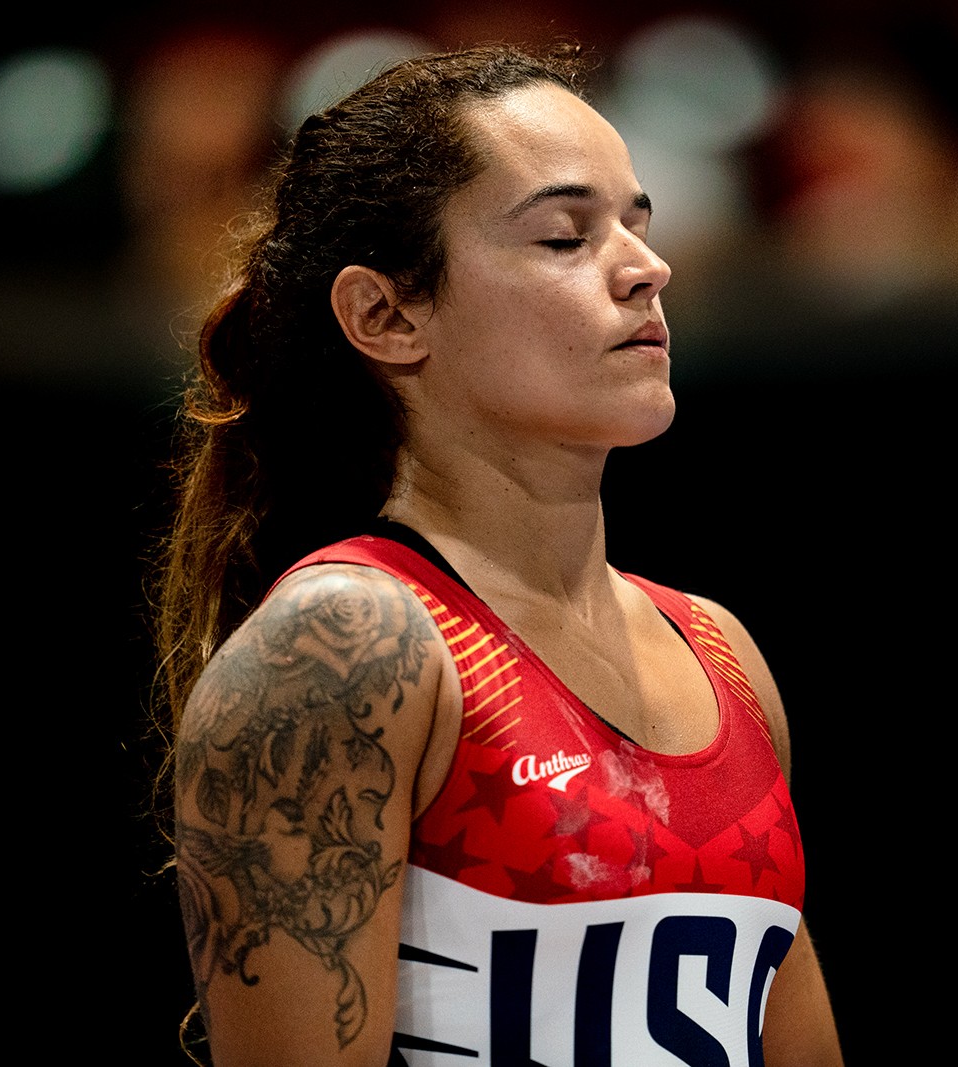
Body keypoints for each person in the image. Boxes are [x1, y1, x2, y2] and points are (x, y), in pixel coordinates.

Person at [151, 40, 844, 1067]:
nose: (645, 267)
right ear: (385, 313)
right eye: (565, 236)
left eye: (639, 225)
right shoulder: (349, 648)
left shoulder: (720, 654)